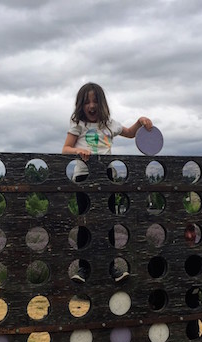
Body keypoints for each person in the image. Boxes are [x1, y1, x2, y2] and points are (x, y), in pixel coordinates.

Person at [62, 82, 152, 283]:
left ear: (102, 103)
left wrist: (140, 122)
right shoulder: (78, 124)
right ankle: (83, 269)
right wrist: (78, 150)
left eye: (95, 101)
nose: (91, 106)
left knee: (109, 224)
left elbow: (129, 133)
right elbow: (65, 148)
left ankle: (112, 268)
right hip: (84, 177)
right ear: (80, 105)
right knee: (86, 223)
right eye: (86, 102)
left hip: (107, 178)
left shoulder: (109, 124)